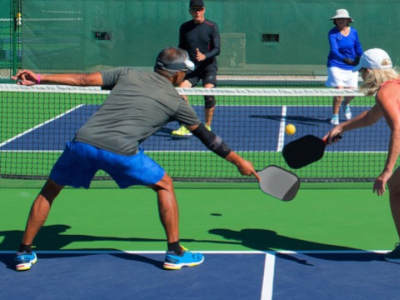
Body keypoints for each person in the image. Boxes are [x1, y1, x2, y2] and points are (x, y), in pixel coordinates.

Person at [11, 47, 260, 271]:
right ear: (175, 74)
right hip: (120, 151)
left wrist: (40, 78)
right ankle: (174, 252)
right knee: (164, 184)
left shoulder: (127, 73)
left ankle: (23, 252)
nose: (184, 76)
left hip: (83, 143)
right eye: (184, 72)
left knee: (50, 190)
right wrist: (239, 161)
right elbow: (208, 138)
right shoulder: (177, 102)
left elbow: (83, 79)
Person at [324, 48, 400, 263]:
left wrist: (386, 171)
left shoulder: (385, 92)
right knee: (397, 189)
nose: (360, 76)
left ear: (368, 71)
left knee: (394, 186)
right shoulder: (394, 87)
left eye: (362, 72)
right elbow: (371, 116)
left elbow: (398, 128)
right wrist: (341, 127)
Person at [172, 0, 220, 136]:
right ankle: (188, 125)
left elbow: (217, 49)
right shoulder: (184, 27)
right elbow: (181, 47)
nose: (196, 12)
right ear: (190, 11)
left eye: (199, 9)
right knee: (180, 92)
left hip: (208, 67)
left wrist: (205, 56)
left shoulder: (212, 26)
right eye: (194, 10)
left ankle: (207, 127)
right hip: (192, 69)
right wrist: (180, 61)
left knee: (208, 93)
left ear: (203, 10)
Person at [326, 9, 363, 125]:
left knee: (351, 93)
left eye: (343, 19)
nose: (340, 21)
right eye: (338, 19)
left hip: (351, 66)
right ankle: (335, 116)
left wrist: (363, 58)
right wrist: (345, 59)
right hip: (336, 64)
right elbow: (334, 50)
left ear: (348, 20)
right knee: (340, 90)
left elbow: (358, 46)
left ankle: (346, 104)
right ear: (335, 21)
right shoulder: (332, 33)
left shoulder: (354, 32)